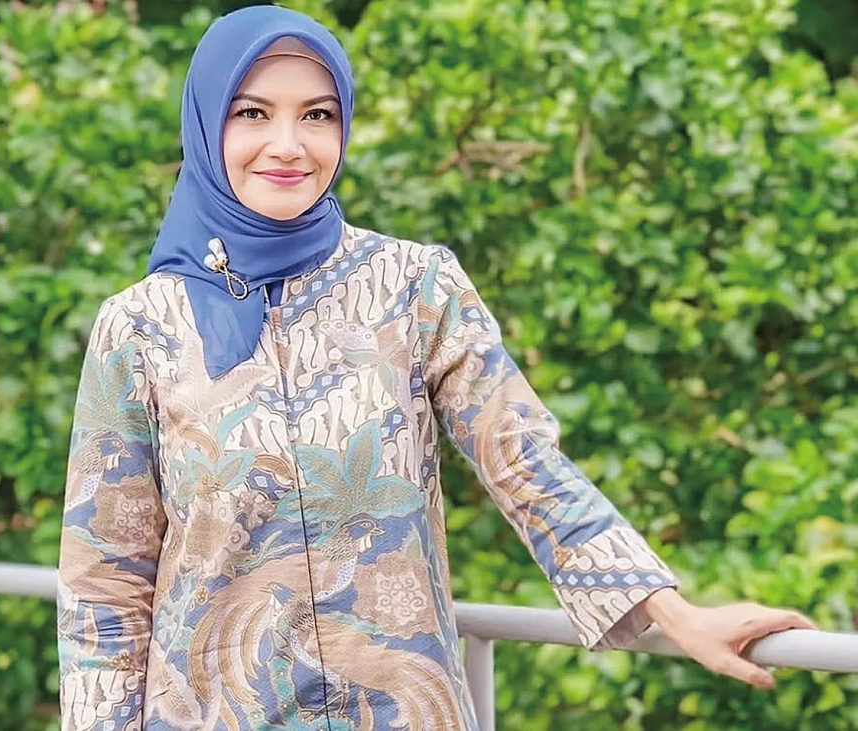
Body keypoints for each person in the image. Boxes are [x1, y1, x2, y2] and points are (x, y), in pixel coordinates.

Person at [56, 6, 815, 730]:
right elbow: (104, 589)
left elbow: (523, 461)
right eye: (252, 113)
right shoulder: (140, 327)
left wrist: (673, 612)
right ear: (205, 122)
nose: (288, 144)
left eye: (317, 114)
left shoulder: (413, 286)